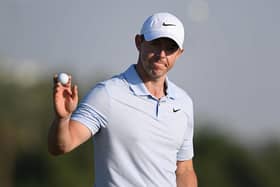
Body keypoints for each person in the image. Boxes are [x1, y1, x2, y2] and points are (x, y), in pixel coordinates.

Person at [48, 12, 198, 187]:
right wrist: (62, 119)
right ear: (139, 43)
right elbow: (61, 146)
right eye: (155, 44)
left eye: (170, 48)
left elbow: (184, 170)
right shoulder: (107, 94)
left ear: (179, 53)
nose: (161, 54)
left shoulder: (183, 103)